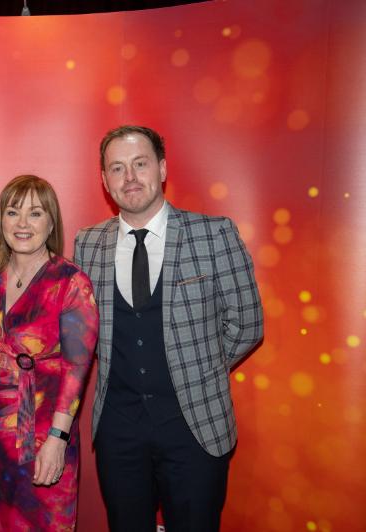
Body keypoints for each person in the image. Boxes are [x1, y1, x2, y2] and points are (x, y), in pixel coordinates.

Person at [74, 125, 263, 531]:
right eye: (117, 168)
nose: (129, 178)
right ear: (104, 181)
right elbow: (82, 328)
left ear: (161, 168)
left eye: (140, 164)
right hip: (118, 429)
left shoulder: (214, 234)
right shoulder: (87, 244)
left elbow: (247, 323)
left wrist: (199, 369)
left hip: (195, 426)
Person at [0, 175, 99, 531]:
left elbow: (76, 373)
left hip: (43, 432)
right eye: (12, 212)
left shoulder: (71, 282)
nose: (21, 224)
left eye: (35, 214)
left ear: (51, 222)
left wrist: (57, 441)